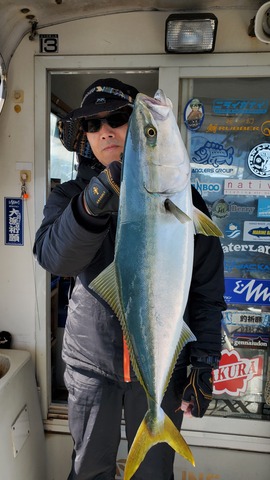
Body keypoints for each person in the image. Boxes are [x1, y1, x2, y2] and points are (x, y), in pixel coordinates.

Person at [33, 78, 226, 480]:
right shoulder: (70, 196)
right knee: (88, 469)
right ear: (85, 138)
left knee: (154, 474)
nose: (105, 131)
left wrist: (204, 359)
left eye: (119, 119)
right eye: (92, 125)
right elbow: (55, 257)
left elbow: (207, 289)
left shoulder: (186, 202)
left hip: (162, 365)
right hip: (91, 368)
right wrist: (93, 201)